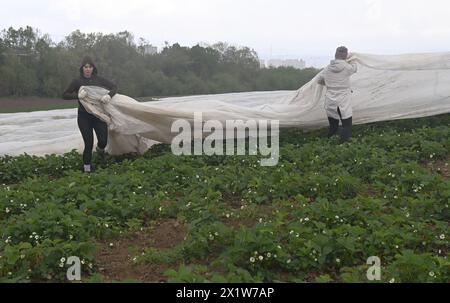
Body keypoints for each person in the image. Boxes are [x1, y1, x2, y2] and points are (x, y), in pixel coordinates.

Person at [62, 56, 117, 173]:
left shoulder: (99, 80)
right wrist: (77, 96)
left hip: (98, 115)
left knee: (103, 140)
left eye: (90, 67)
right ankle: (87, 169)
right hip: (84, 117)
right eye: (85, 67)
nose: (87, 69)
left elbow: (114, 87)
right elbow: (65, 95)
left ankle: (100, 150)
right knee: (88, 142)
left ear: (93, 68)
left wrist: (109, 95)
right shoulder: (77, 81)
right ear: (82, 68)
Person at [317, 46, 357, 144]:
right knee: (346, 124)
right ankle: (343, 145)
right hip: (343, 100)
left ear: (335, 55)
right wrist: (353, 59)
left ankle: (329, 144)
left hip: (330, 100)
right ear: (345, 55)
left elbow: (319, 80)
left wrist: (330, 84)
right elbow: (355, 68)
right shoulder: (347, 67)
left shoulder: (327, 69)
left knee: (333, 125)